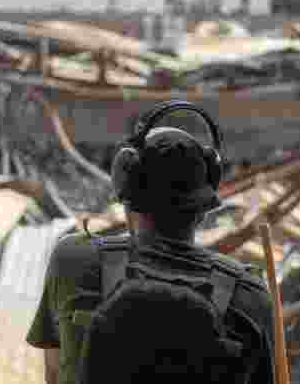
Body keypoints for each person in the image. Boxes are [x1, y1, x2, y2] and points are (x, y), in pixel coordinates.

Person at [26, 102, 276, 384]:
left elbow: (54, 375)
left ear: (124, 190)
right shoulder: (248, 296)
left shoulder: (73, 260)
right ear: (204, 209)